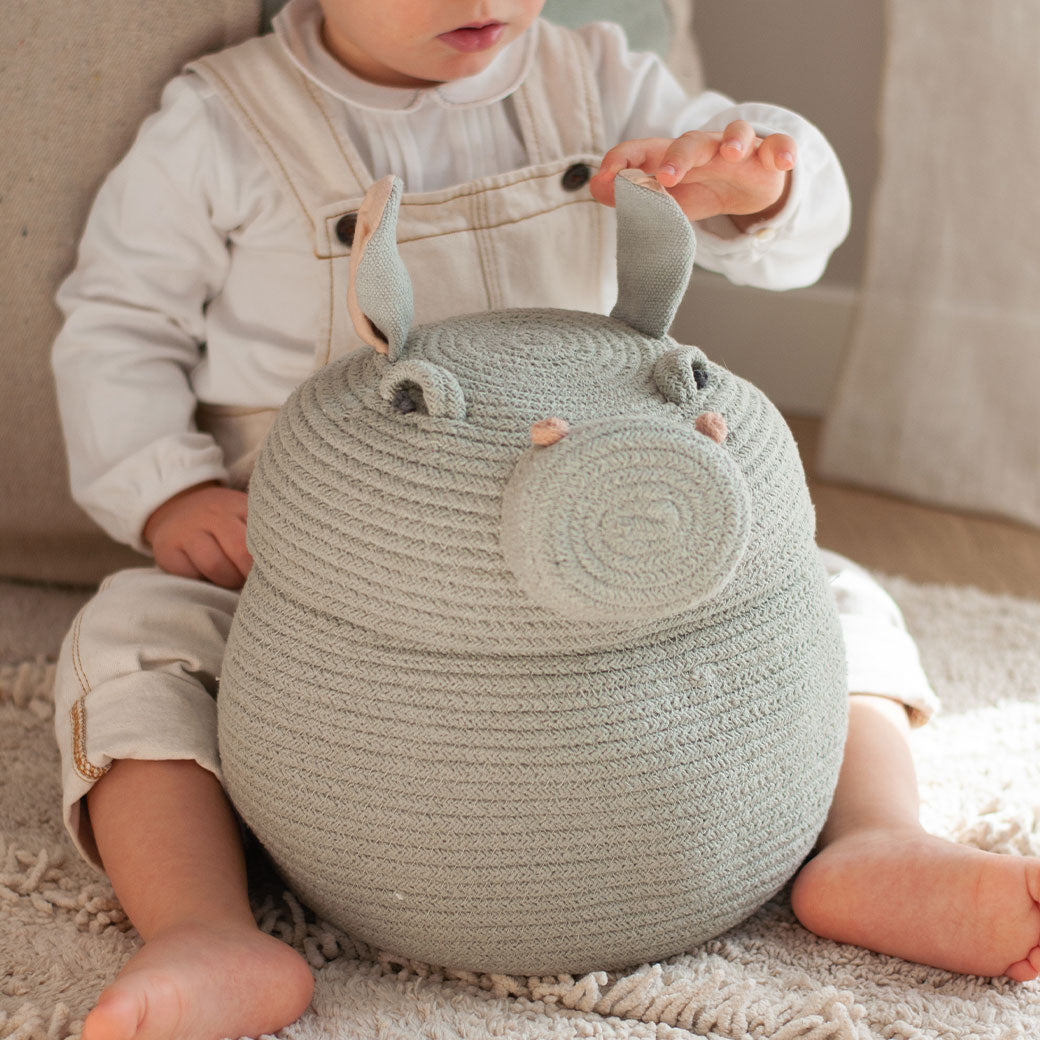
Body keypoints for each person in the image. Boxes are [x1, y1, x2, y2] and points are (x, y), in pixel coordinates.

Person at [50, 1, 1040, 1038]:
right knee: (130, 636)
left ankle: (874, 836)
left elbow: (782, 223)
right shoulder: (222, 124)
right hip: (308, 565)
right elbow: (118, 322)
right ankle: (201, 922)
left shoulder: (594, 78)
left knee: (825, 588)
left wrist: (754, 189)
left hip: (600, 544)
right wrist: (166, 490)